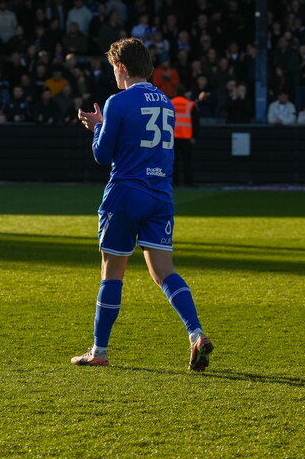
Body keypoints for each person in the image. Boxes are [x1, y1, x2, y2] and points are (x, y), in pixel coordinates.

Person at [73, 38, 212, 371]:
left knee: (112, 271)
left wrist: (98, 127)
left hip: (126, 193)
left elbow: (102, 155)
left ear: (121, 67)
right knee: (164, 271)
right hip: (160, 194)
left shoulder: (118, 101)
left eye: (113, 69)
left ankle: (99, 351)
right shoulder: (167, 102)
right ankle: (195, 333)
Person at [170, 84, 199, 186]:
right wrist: (194, 136)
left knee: (174, 161)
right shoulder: (190, 104)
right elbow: (196, 122)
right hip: (186, 136)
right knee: (187, 161)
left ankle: (175, 182)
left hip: (173, 137)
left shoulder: (170, 103)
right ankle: (188, 182)